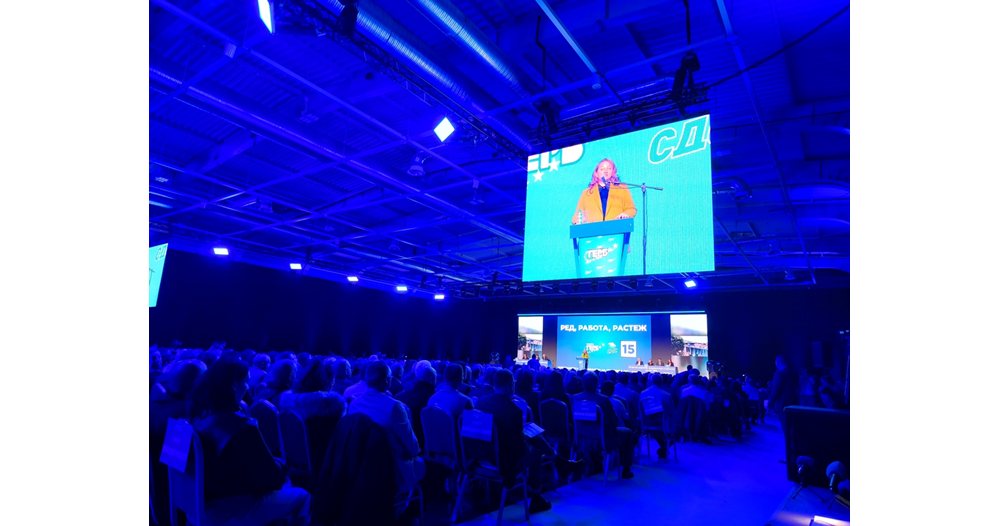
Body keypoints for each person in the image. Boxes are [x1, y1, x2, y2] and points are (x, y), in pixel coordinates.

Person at [570, 158, 637, 224]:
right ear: (596, 173)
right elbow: (576, 216)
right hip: (593, 229)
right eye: (602, 169)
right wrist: (580, 220)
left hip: (616, 227)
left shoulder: (622, 188)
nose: (605, 171)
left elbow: (631, 209)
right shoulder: (586, 193)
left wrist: (625, 214)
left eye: (609, 168)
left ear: (613, 172)